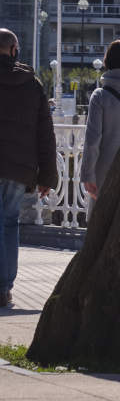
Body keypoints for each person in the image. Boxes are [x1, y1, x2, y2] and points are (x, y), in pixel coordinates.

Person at [0, 29, 56, 309]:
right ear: (13, 50)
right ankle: (5, 287)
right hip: (18, 168)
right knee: (9, 223)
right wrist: (47, 175)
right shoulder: (31, 84)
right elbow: (45, 132)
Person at [81, 39, 120, 202]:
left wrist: (88, 174)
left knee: (101, 222)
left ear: (108, 61)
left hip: (105, 172)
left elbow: (92, 140)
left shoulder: (101, 96)